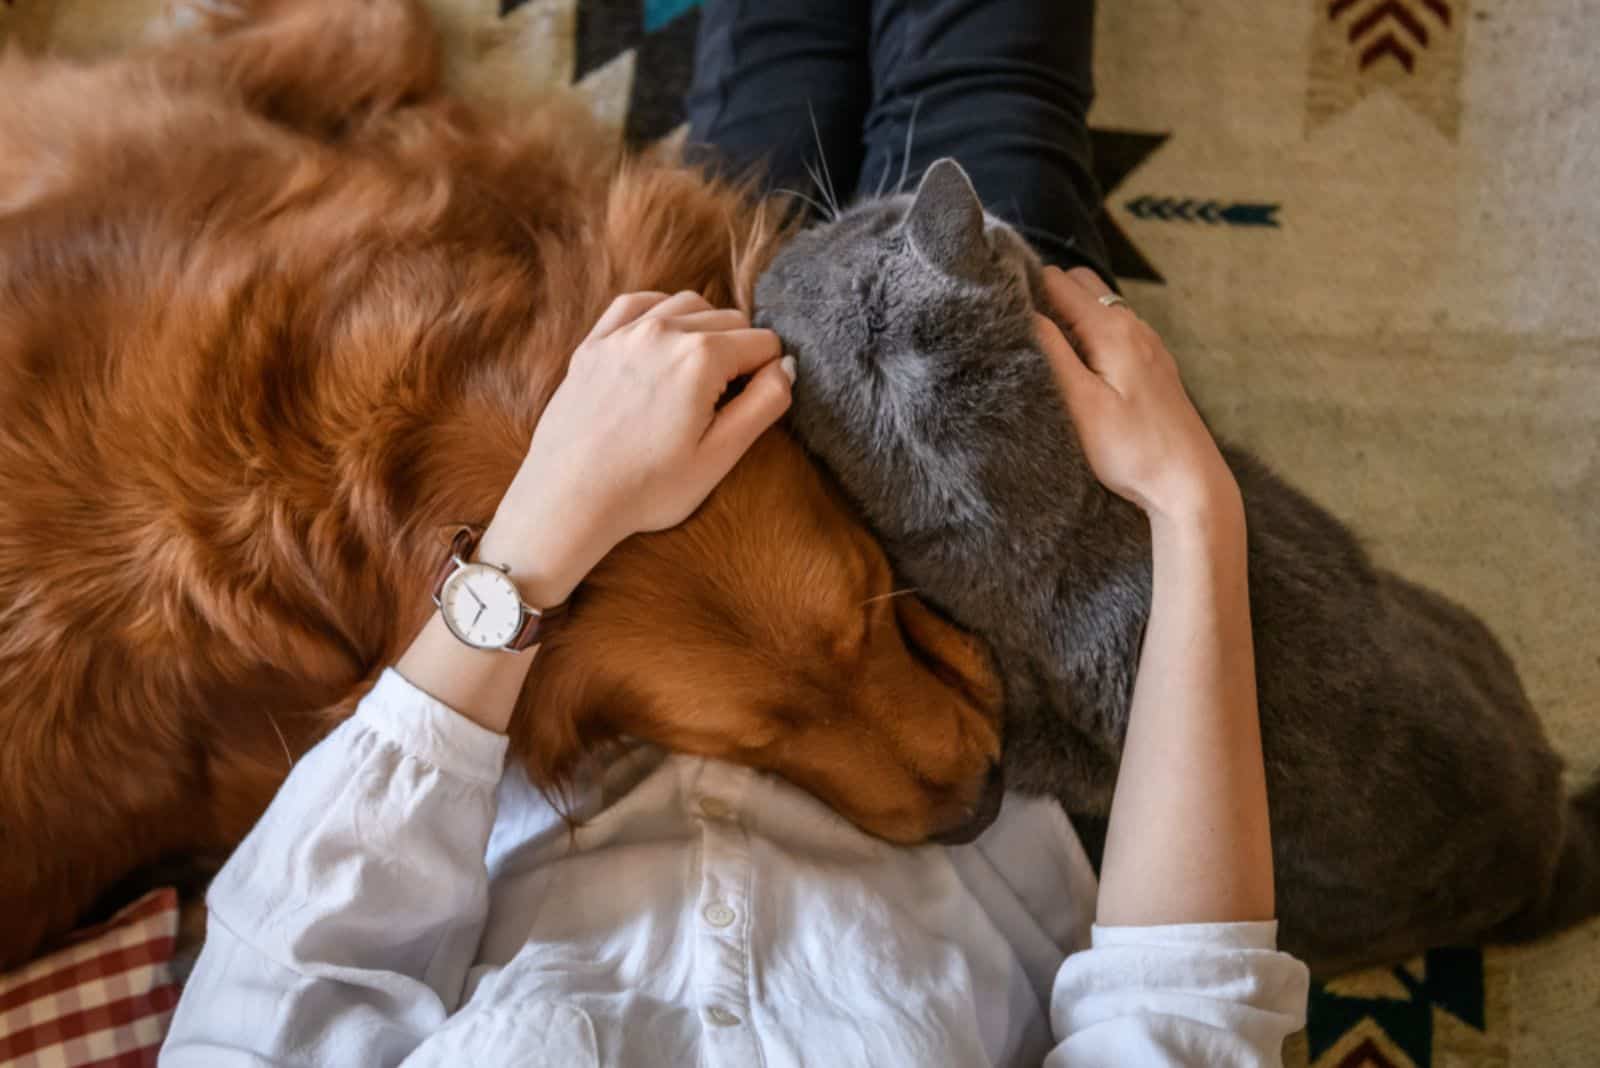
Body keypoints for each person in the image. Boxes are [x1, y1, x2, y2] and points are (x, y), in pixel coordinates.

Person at [162, 1, 1310, 1064]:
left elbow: (289, 967)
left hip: (594, 578)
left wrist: (546, 520)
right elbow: (1182, 1013)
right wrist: (1189, 511)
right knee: (988, 88)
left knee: (770, 72)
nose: (941, 787)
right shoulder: (951, 753)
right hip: (980, 576)